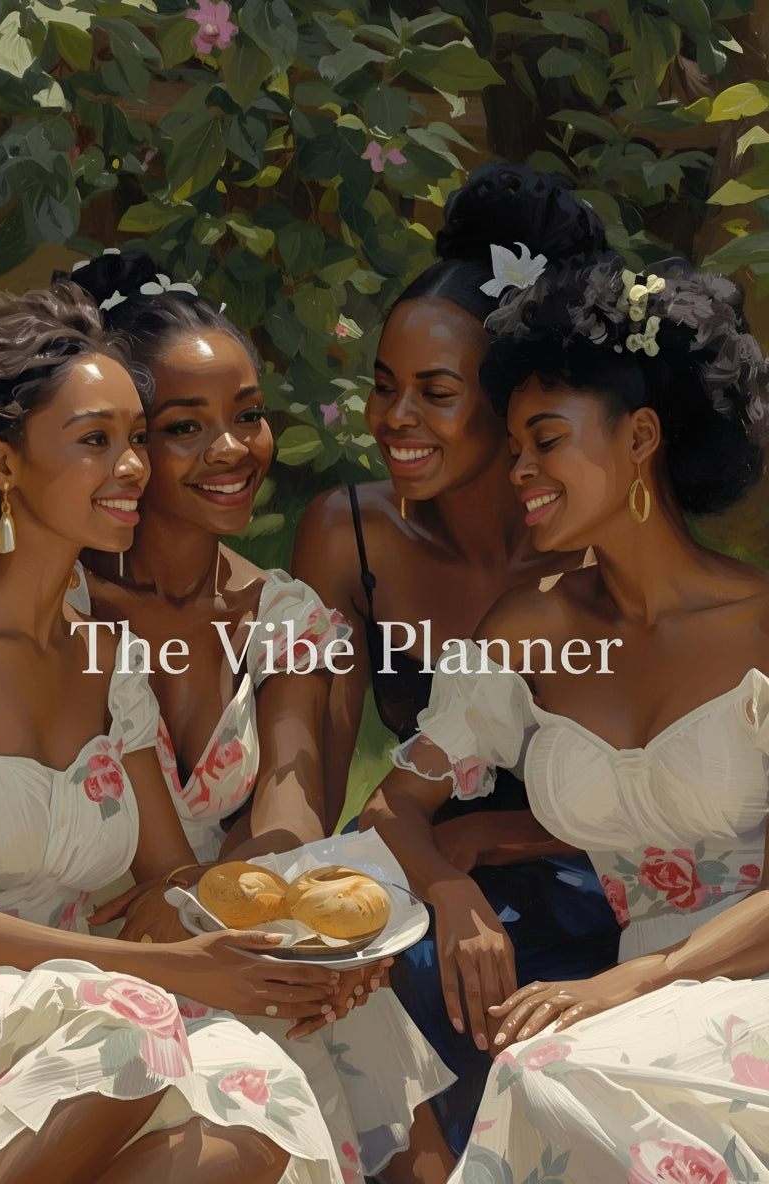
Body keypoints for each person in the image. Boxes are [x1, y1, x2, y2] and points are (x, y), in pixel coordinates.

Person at [0, 284, 410, 1184]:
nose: (133, 466)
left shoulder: (106, 657)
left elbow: (170, 871)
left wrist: (297, 945)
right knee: (135, 1039)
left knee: (259, 1115)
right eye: (97, 440)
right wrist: (174, 968)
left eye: (135, 438)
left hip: (104, 991)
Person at [363, 251, 769, 1180]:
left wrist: (638, 981)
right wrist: (450, 891)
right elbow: (394, 807)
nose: (520, 471)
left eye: (546, 440)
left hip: (737, 984)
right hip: (629, 995)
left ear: (640, 438)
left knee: (550, 1081)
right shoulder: (532, 628)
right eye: (513, 448)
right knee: (550, 1077)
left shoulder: (761, 627)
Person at [63, 251, 456, 1184]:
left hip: (225, 921)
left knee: (360, 1026)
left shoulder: (284, 615)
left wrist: (311, 930)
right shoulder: (63, 609)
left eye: (246, 415)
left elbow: (289, 799)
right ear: (124, 444)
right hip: (86, 943)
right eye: (184, 428)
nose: (234, 449)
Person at [292, 162, 621, 1149]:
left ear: (515, 397)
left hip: (591, 863)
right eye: (384, 386)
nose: (394, 419)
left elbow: (667, 792)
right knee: (331, 974)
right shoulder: (352, 533)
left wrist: (487, 845)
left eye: (435, 392)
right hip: (413, 853)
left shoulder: (600, 541)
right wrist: (309, 893)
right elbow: (313, 760)